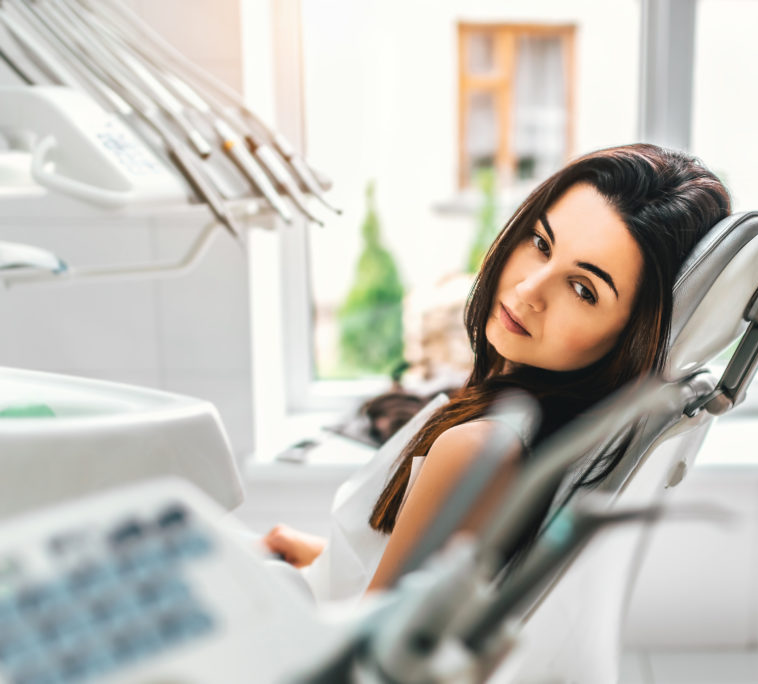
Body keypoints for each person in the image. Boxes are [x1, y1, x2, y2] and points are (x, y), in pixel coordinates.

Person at [263, 143, 731, 593]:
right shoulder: (532, 432)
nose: (530, 289)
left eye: (584, 289)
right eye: (541, 243)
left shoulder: (479, 450)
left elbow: (367, 663)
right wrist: (319, 561)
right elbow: (407, 593)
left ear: (634, 336)